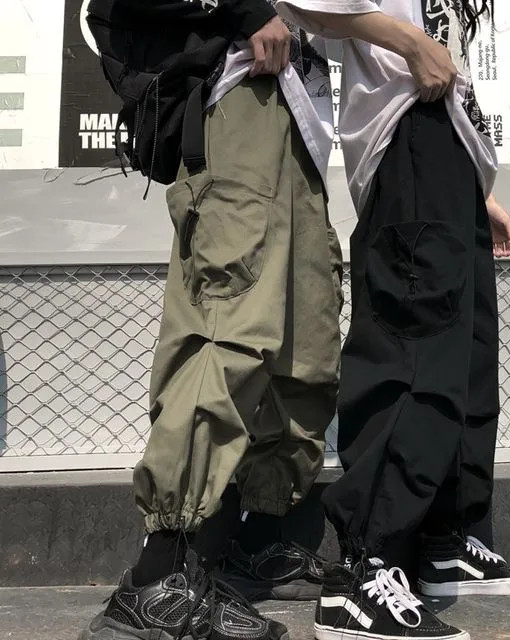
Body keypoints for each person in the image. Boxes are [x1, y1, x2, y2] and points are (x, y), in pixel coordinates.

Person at [275, 1, 510, 639]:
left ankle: (440, 544)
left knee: (464, 359)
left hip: (451, 144)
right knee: (414, 353)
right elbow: (306, 5)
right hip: (406, 130)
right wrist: (410, 44)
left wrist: (480, 189)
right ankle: (364, 570)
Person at [80, 2, 342, 639]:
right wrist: (248, 8)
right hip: (237, 92)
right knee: (230, 328)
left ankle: (258, 541)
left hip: (297, 113)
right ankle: (157, 577)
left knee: (305, 337)